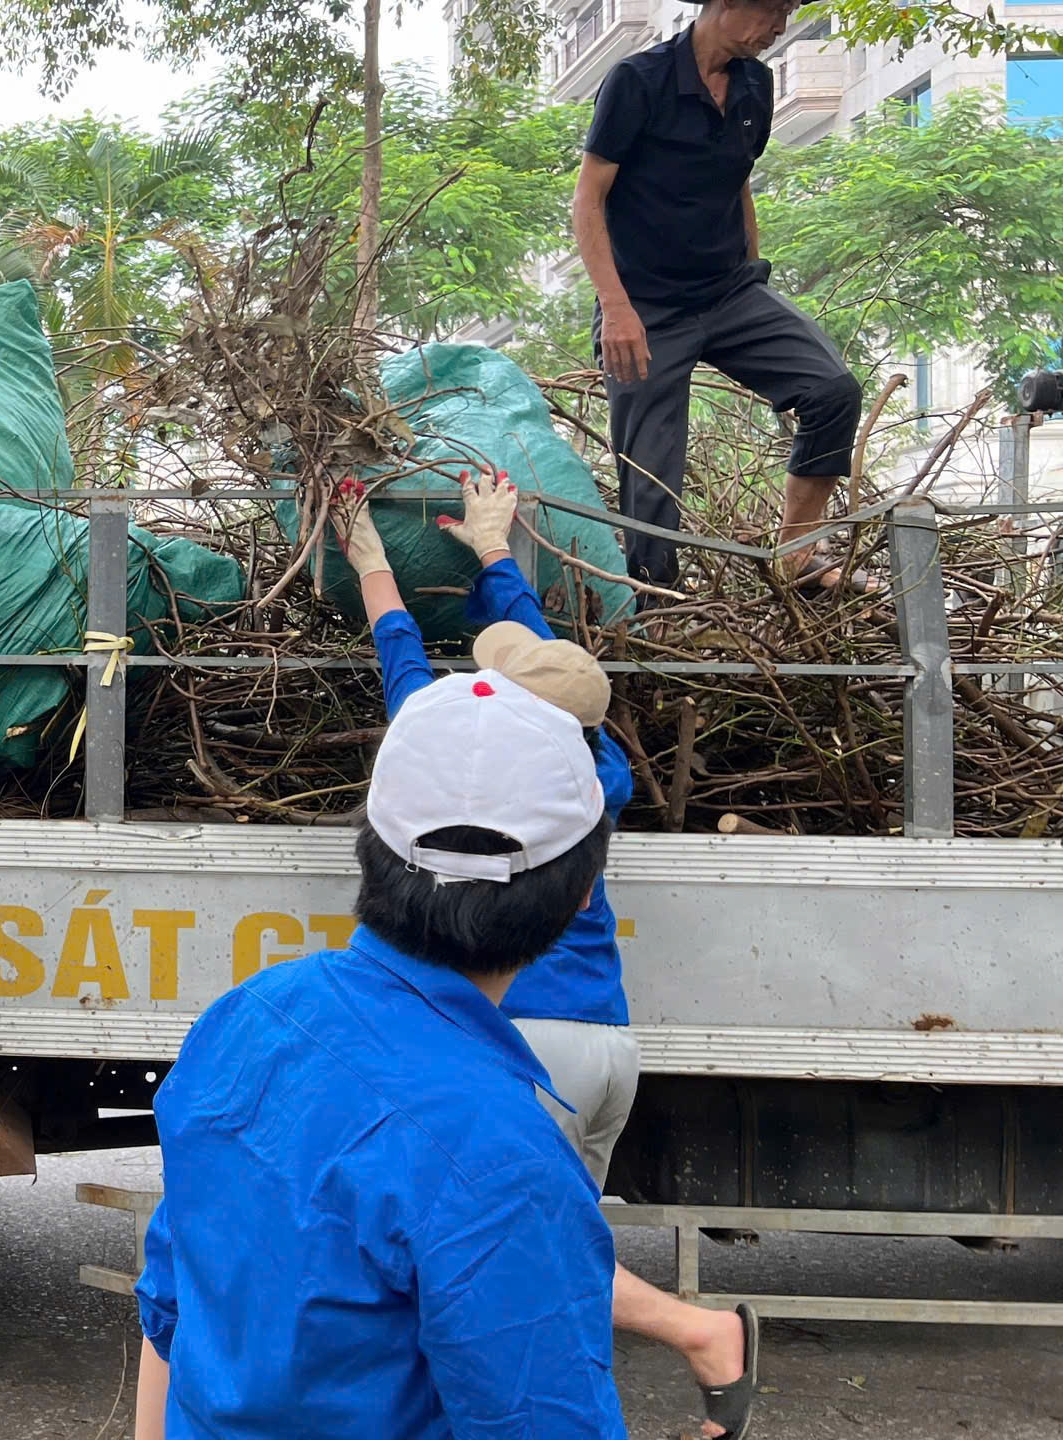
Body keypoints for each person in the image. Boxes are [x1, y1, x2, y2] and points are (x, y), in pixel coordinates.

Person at [333, 473, 758, 1439]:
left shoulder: (464, 781)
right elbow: (559, 671)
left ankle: (696, 1337)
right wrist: (494, 549)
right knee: (553, 1247)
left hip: (528, 1050)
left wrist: (369, 557)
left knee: (518, 1268)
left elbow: (404, 664)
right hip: (606, 1049)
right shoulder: (594, 768)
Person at [132, 663, 622, 1438]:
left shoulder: (245, 1018)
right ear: (584, 889)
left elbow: (171, 1304)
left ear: (371, 847)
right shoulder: (504, 1161)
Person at [574, 0, 863, 591]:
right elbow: (588, 201)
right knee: (650, 473)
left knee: (832, 390)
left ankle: (798, 555)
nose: (780, 26)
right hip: (646, 306)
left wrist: (755, 275)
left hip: (731, 292)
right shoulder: (638, 81)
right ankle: (657, 607)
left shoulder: (756, 82)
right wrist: (616, 307)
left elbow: (738, 184)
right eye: (774, 10)